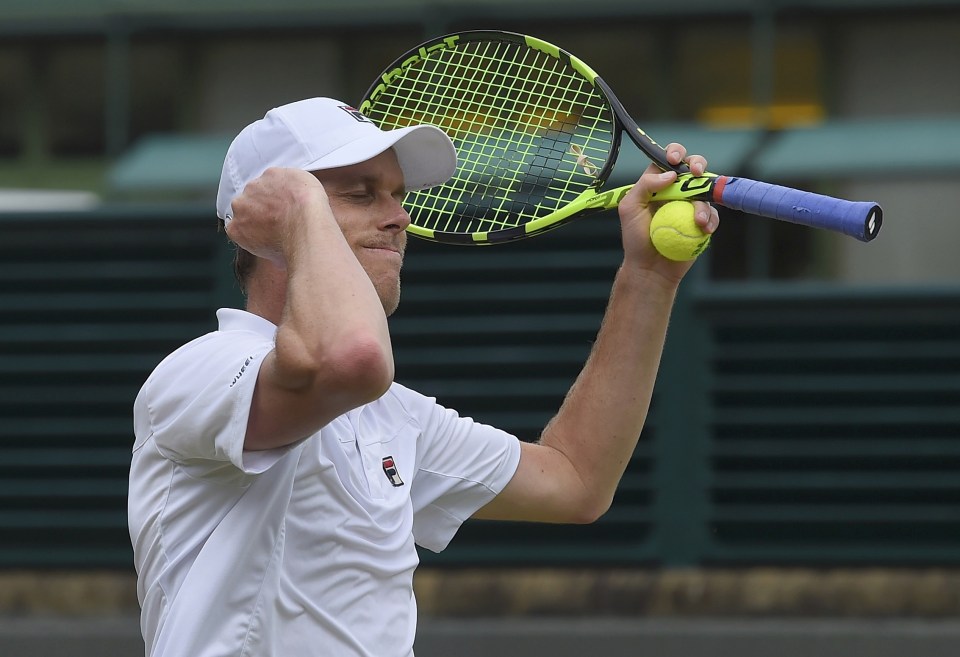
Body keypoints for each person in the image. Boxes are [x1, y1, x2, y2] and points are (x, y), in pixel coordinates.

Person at [128, 96, 719, 657]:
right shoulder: (202, 369)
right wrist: (303, 209)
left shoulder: (388, 413)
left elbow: (575, 480)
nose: (398, 217)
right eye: (361, 195)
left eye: (396, 194)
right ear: (269, 220)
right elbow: (352, 360)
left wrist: (648, 278)